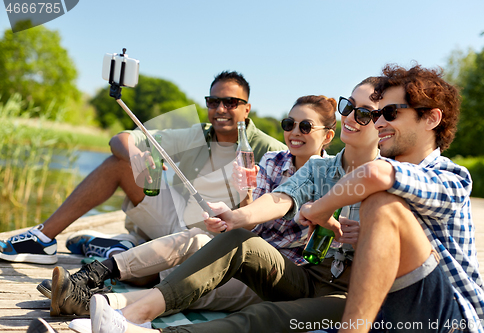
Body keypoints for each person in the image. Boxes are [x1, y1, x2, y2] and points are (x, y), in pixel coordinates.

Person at [74, 77, 382, 333]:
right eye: (349, 106)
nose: (294, 132)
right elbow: (277, 200)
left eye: (364, 113)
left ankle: (118, 309)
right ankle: (110, 295)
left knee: (250, 310)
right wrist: (236, 213)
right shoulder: (311, 169)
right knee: (218, 242)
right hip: (284, 269)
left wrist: (365, 234)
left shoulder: (390, 177)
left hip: (326, 279)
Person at [47, 94, 337, 318]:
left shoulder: (330, 176)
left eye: (305, 126)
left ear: (327, 136)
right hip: (244, 252)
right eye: (289, 124)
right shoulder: (275, 160)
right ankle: (91, 276)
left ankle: (96, 304)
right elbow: (251, 221)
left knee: (197, 283)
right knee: (197, 239)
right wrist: (242, 196)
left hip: (279, 274)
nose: (294, 132)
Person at [0, 72, 285, 262]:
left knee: (148, 277)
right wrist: (136, 154)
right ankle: (44, 239)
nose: (220, 109)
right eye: (213, 101)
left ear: (247, 109)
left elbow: (290, 197)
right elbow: (119, 138)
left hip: (219, 238)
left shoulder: (270, 149)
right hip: (176, 220)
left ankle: (123, 248)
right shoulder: (195, 133)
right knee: (120, 163)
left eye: (231, 102)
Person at [298, 64, 484, 332]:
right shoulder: (386, 177)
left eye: (390, 113)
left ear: (431, 118)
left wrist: (318, 210)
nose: (378, 122)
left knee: (381, 202)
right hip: (395, 317)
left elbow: (375, 173)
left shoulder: (452, 178)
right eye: (378, 114)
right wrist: (366, 236)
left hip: (452, 320)